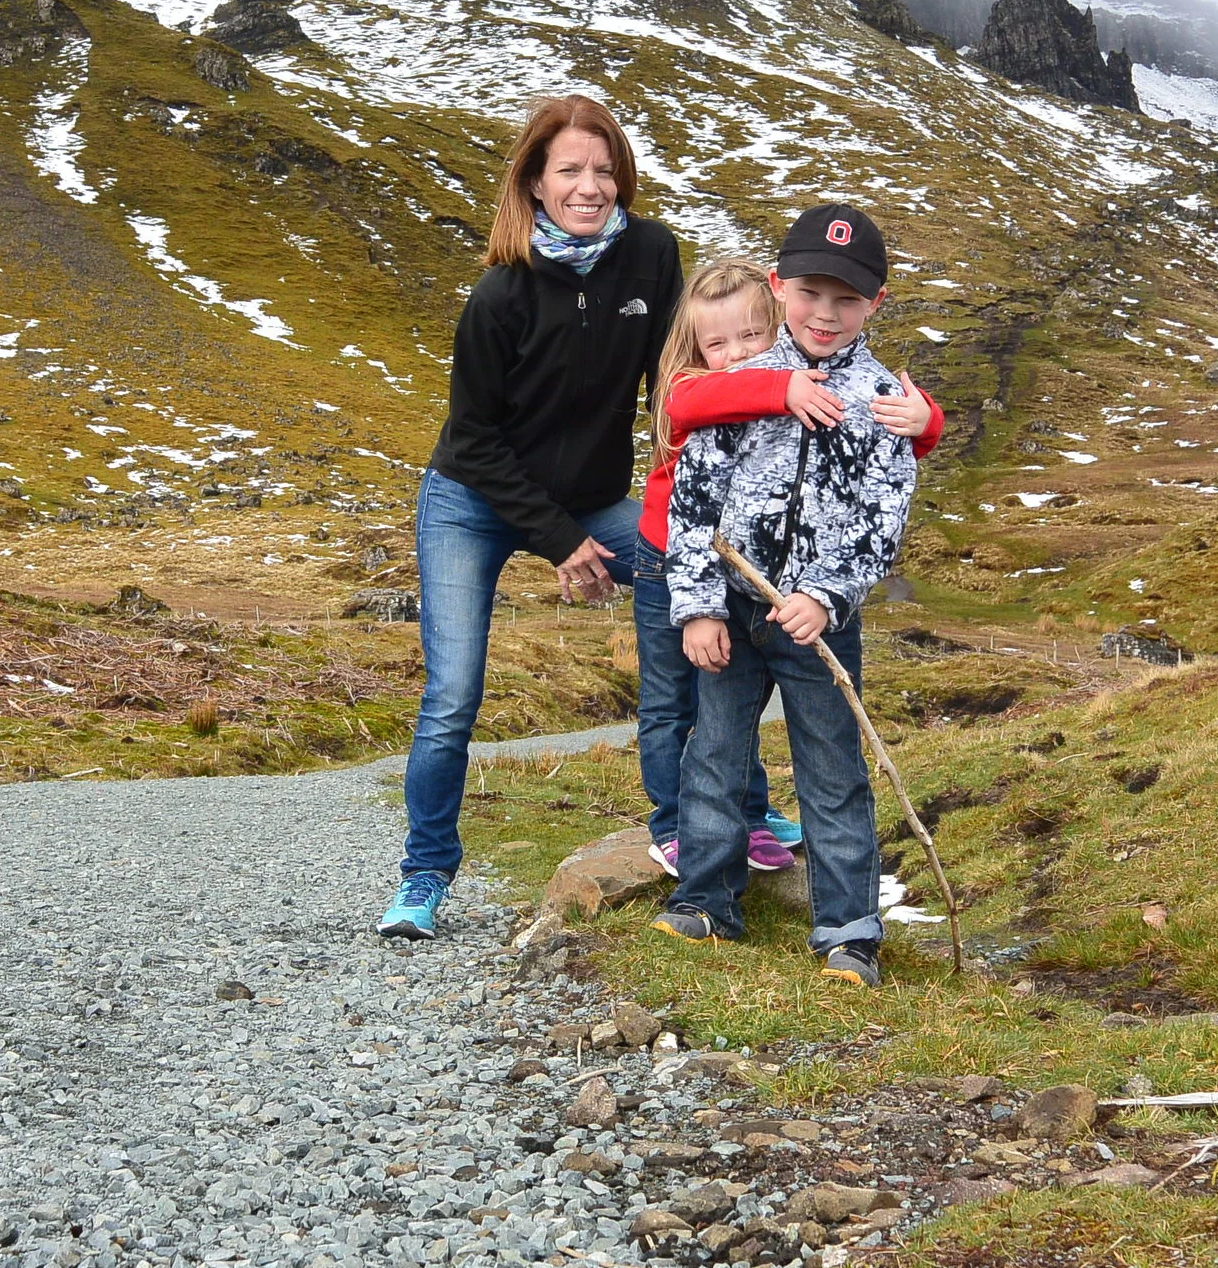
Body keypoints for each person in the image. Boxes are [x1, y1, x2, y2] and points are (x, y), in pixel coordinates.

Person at [378, 94, 683, 940]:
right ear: (535, 184)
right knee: (452, 699)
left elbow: (673, 385)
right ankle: (424, 874)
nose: (590, 187)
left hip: (592, 501)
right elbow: (471, 443)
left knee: (691, 592)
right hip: (470, 505)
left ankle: (705, 822)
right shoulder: (500, 295)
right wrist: (561, 543)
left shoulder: (652, 255)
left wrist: (686, 481)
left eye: (603, 168)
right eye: (570, 171)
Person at [652, 203, 918, 987]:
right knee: (714, 755)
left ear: (876, 304)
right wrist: (697, 605)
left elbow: (882, 520)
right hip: (731, 609)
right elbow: (694, 501)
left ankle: (848, 932)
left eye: (847, 299)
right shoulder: (741, 388)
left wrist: (827, 596)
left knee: (832, 769)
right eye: (810, 293)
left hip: (818, 626)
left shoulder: (884, 405)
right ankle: (705, 900)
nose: (825, 313)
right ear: (779, 288)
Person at [631, 258, 944, 878]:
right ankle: (674, 825)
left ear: (775, 321)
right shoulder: (696, 386)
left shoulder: (806, 374)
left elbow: (871, 427)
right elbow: (700, 397)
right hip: (668, 555)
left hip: (753, 576)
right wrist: (778, 387)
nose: (735, 354)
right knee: (674, 703)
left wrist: (926, 419)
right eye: (716, 343)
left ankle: (749, 817)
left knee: (727, 708)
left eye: (751, 336)